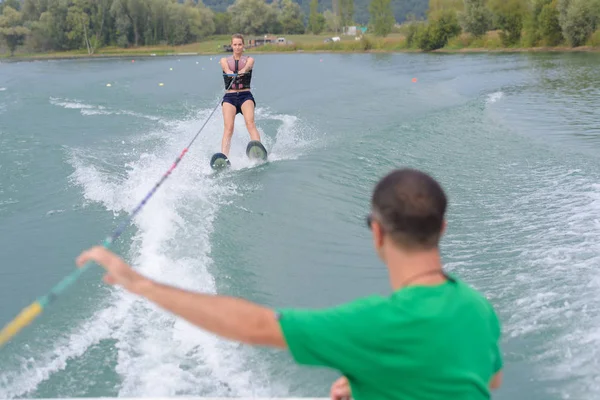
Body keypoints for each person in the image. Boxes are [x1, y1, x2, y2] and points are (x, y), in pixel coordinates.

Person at [76, 168, 504, 400]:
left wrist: (143, 284)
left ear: (376, 232)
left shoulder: (378, 324)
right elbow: (486, 381)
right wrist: (372, 381)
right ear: (443, 228)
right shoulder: (477, 307)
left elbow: (255, 326)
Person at [219, 33, 262, 157]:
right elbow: (226, 69)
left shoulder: (249, 59)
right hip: (229, 97)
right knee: (229, 128)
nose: (237, 47)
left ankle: (257, 149)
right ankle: (224, 156)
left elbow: (248, 66)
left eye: (239, 44)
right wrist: (230, 72)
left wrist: (243, 70)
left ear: (243, 46)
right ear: (231, 45)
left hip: (245, 96)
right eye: (235, 44)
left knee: (250, 123)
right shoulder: (224, 60)